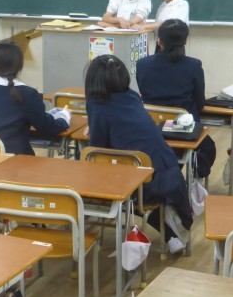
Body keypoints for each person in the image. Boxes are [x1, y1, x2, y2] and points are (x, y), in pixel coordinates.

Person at [85, 55, 192, 254]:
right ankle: (170, 232)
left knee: (104, 179)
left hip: (143, 182)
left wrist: (94, 129)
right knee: (134, 183)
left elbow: (97, 150)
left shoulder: (97, 104)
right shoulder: (133, 97)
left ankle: (83, 221)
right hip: (169, 172)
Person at [136, 19, 216, 178]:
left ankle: (169, 175)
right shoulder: (193, 66)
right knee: (208, 148)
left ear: (159, 40)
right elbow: (200, 103)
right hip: (184, 130)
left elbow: (144, 93)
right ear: (185, 41)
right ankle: (194, 181)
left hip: (151, 127)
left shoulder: (142, 64)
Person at [0, 42, 71, 155]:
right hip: (17, 158)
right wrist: (64, 116)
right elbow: (48, 129)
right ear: (20, 66)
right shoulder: (28, 93)